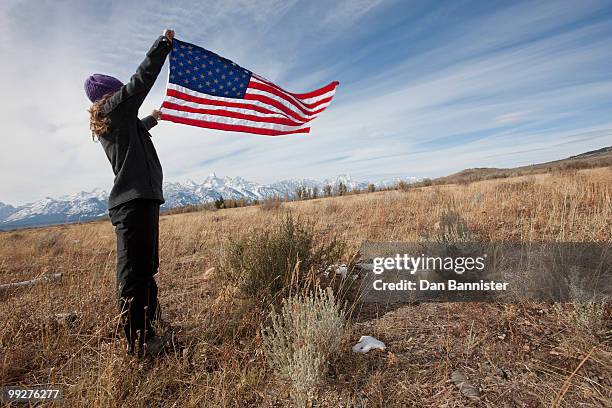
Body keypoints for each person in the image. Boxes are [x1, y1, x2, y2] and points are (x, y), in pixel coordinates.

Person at [84, 29, 175, 356]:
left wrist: (151, 118)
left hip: (143, 201)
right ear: (110, 94)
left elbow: (134, 133)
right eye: (119, 90)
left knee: (144, 271)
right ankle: (140, 344)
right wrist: (162, 45)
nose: (125, 92)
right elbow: (141, 80)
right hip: (133, 204)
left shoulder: (119, 122)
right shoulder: (114, 109)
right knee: (134, 278)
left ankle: (153, 327)